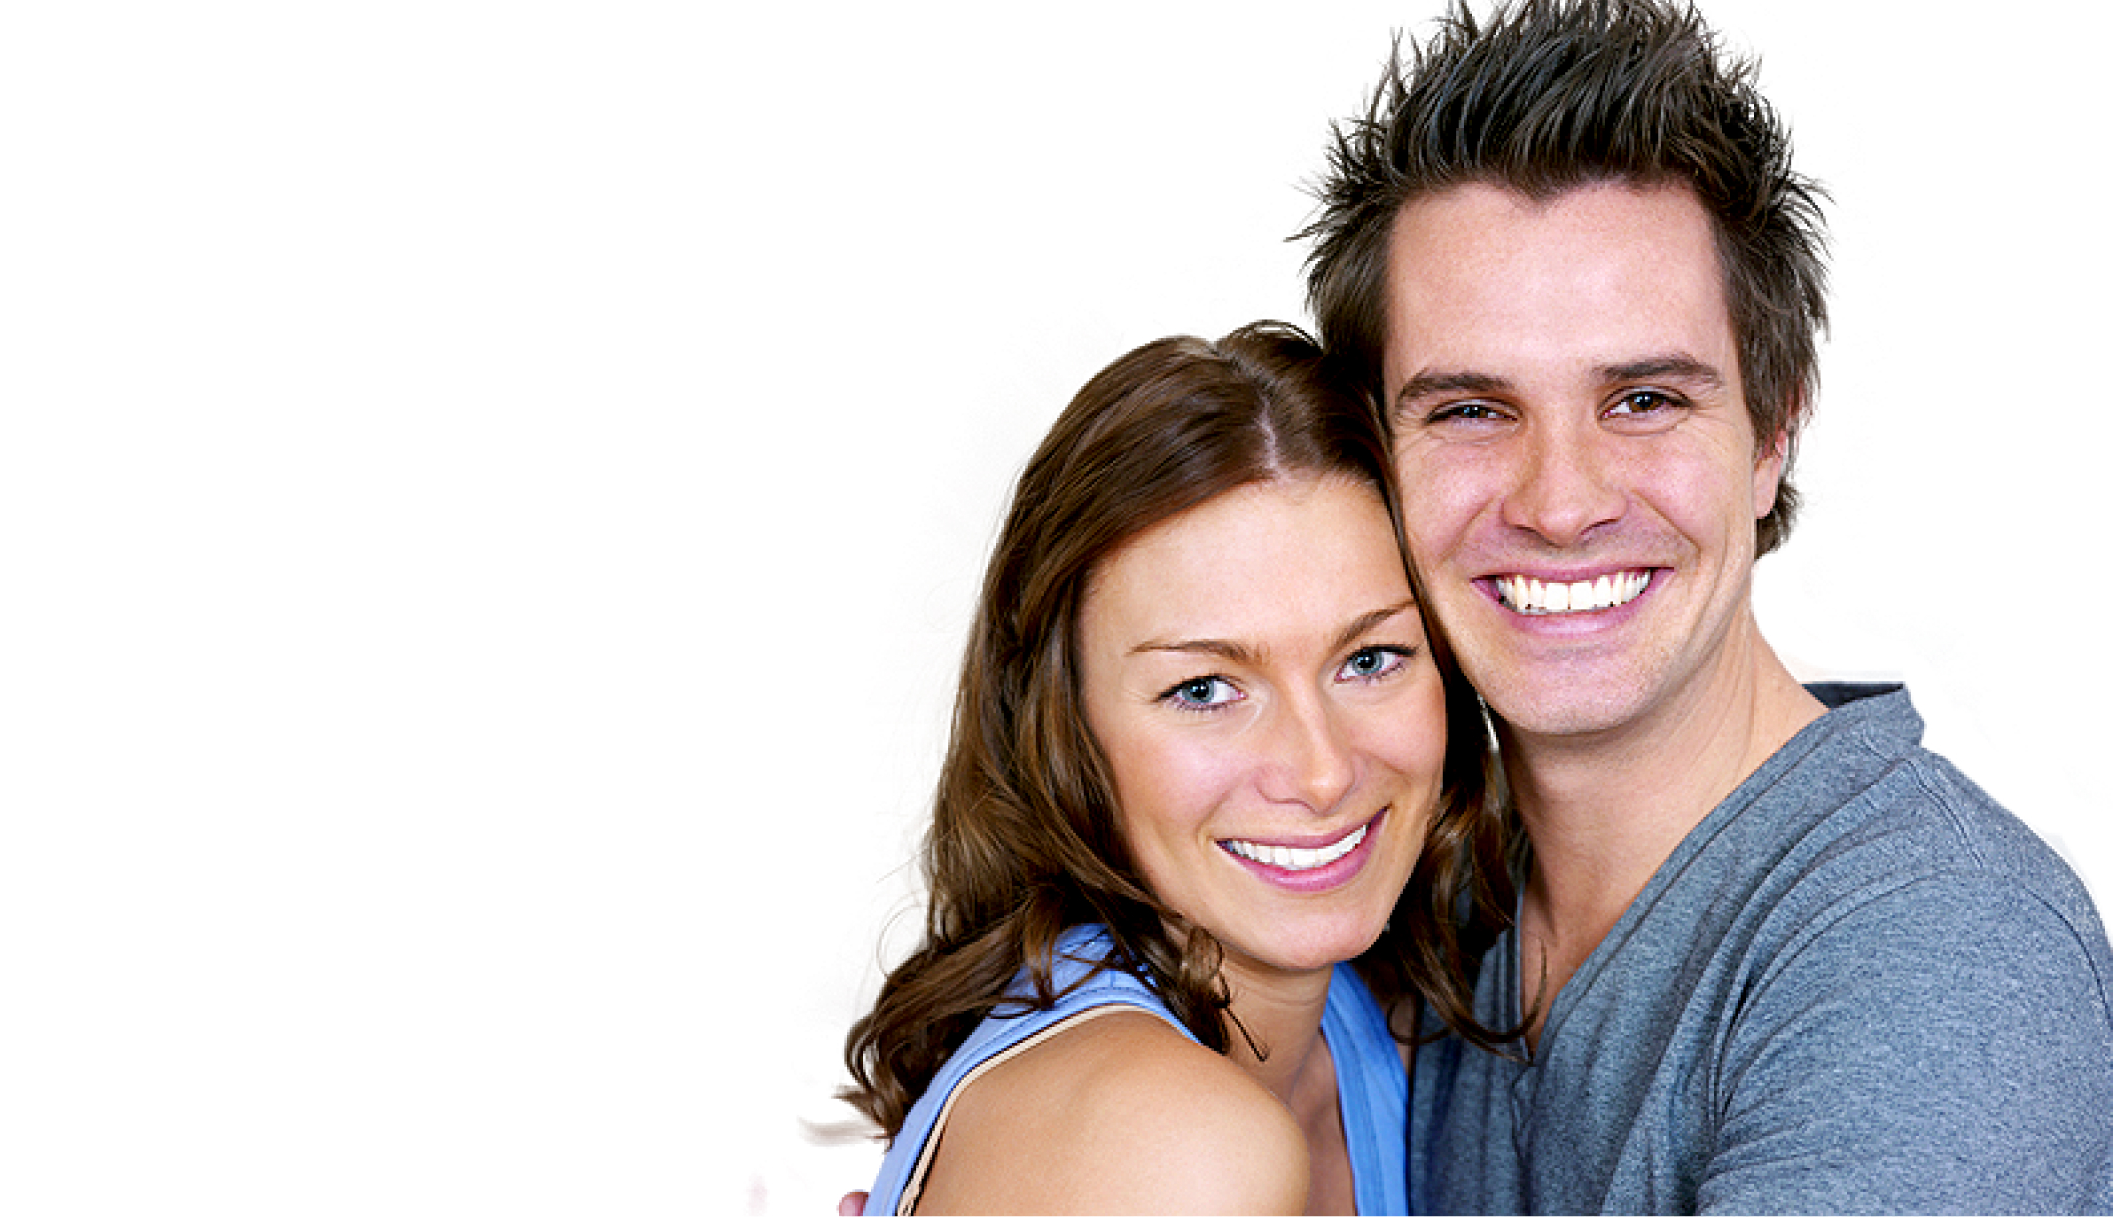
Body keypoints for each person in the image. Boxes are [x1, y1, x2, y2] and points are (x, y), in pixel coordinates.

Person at [1296, 0, 2113, 1211]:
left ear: (1772, 431)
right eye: (1470, 408)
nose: (1559, 503)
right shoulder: (1411, 888)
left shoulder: (1933, 952)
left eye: (1642, 400)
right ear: (1377, 457)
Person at [840, 322, 1503, 1214]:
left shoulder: (1372, 1018)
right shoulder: (1172, 1146)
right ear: (1067, 728)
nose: (1319, 771)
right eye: (1203, 688)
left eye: (1370, 659)